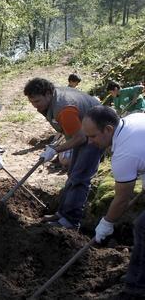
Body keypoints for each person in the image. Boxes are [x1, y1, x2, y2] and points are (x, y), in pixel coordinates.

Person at [82, 106, 145, 298]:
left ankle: (136, 289)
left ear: (108, 129)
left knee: (143, 227)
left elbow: (121, 198)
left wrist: (107, 223)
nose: (90, 142)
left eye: (93, 136)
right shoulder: (133, 119)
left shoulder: (124, 154)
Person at [24, 77, 102, 229]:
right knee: (72, 173)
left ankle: (70, 221)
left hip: (98, 134)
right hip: (83, 131)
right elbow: (72, 132)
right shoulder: (52, 99)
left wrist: (55, 150)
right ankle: (62, 214)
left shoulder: (63, 108)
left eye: (37, 101)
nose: (35, 106)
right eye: (32, 102)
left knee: (80, 177)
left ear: (48, 94)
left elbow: (80, 138)